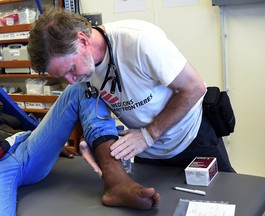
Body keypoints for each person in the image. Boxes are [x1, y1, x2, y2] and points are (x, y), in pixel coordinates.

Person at [27, 8, 235, 172]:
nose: (71, 81)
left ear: (82, 41)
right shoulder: (84, 69)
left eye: (71, 70)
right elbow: (99, 109)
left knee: (230, 202)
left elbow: (194, 88)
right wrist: (91, 139)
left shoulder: (139, 42)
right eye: (62, 76)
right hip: (147, 153)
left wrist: (149, 134)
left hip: (192, 140)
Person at [0, 83, 160, 216]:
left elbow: (16, 117)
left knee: (80, 89)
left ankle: (116, 182)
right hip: (3, 166)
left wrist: (47, 141)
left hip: (22, 144)